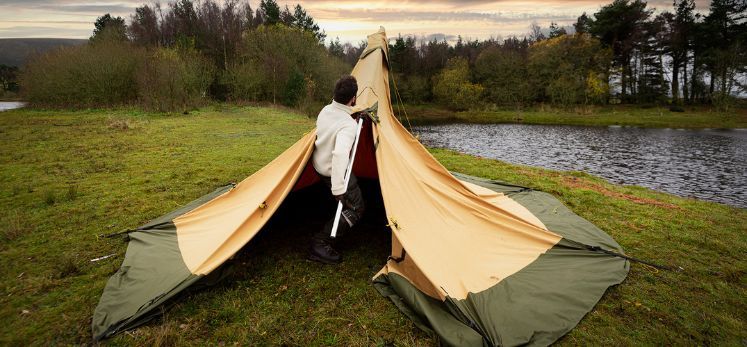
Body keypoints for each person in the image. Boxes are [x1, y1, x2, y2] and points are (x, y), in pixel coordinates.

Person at [308, 75, 366, 264]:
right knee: (356, 208)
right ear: (353, 99)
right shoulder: (347, 124)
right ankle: (321, 242)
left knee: (350, 199)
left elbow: (336, 121)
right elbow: (340, 154)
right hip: (333, 171)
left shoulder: (325, 110)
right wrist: (338, 189)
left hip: (318, 164)